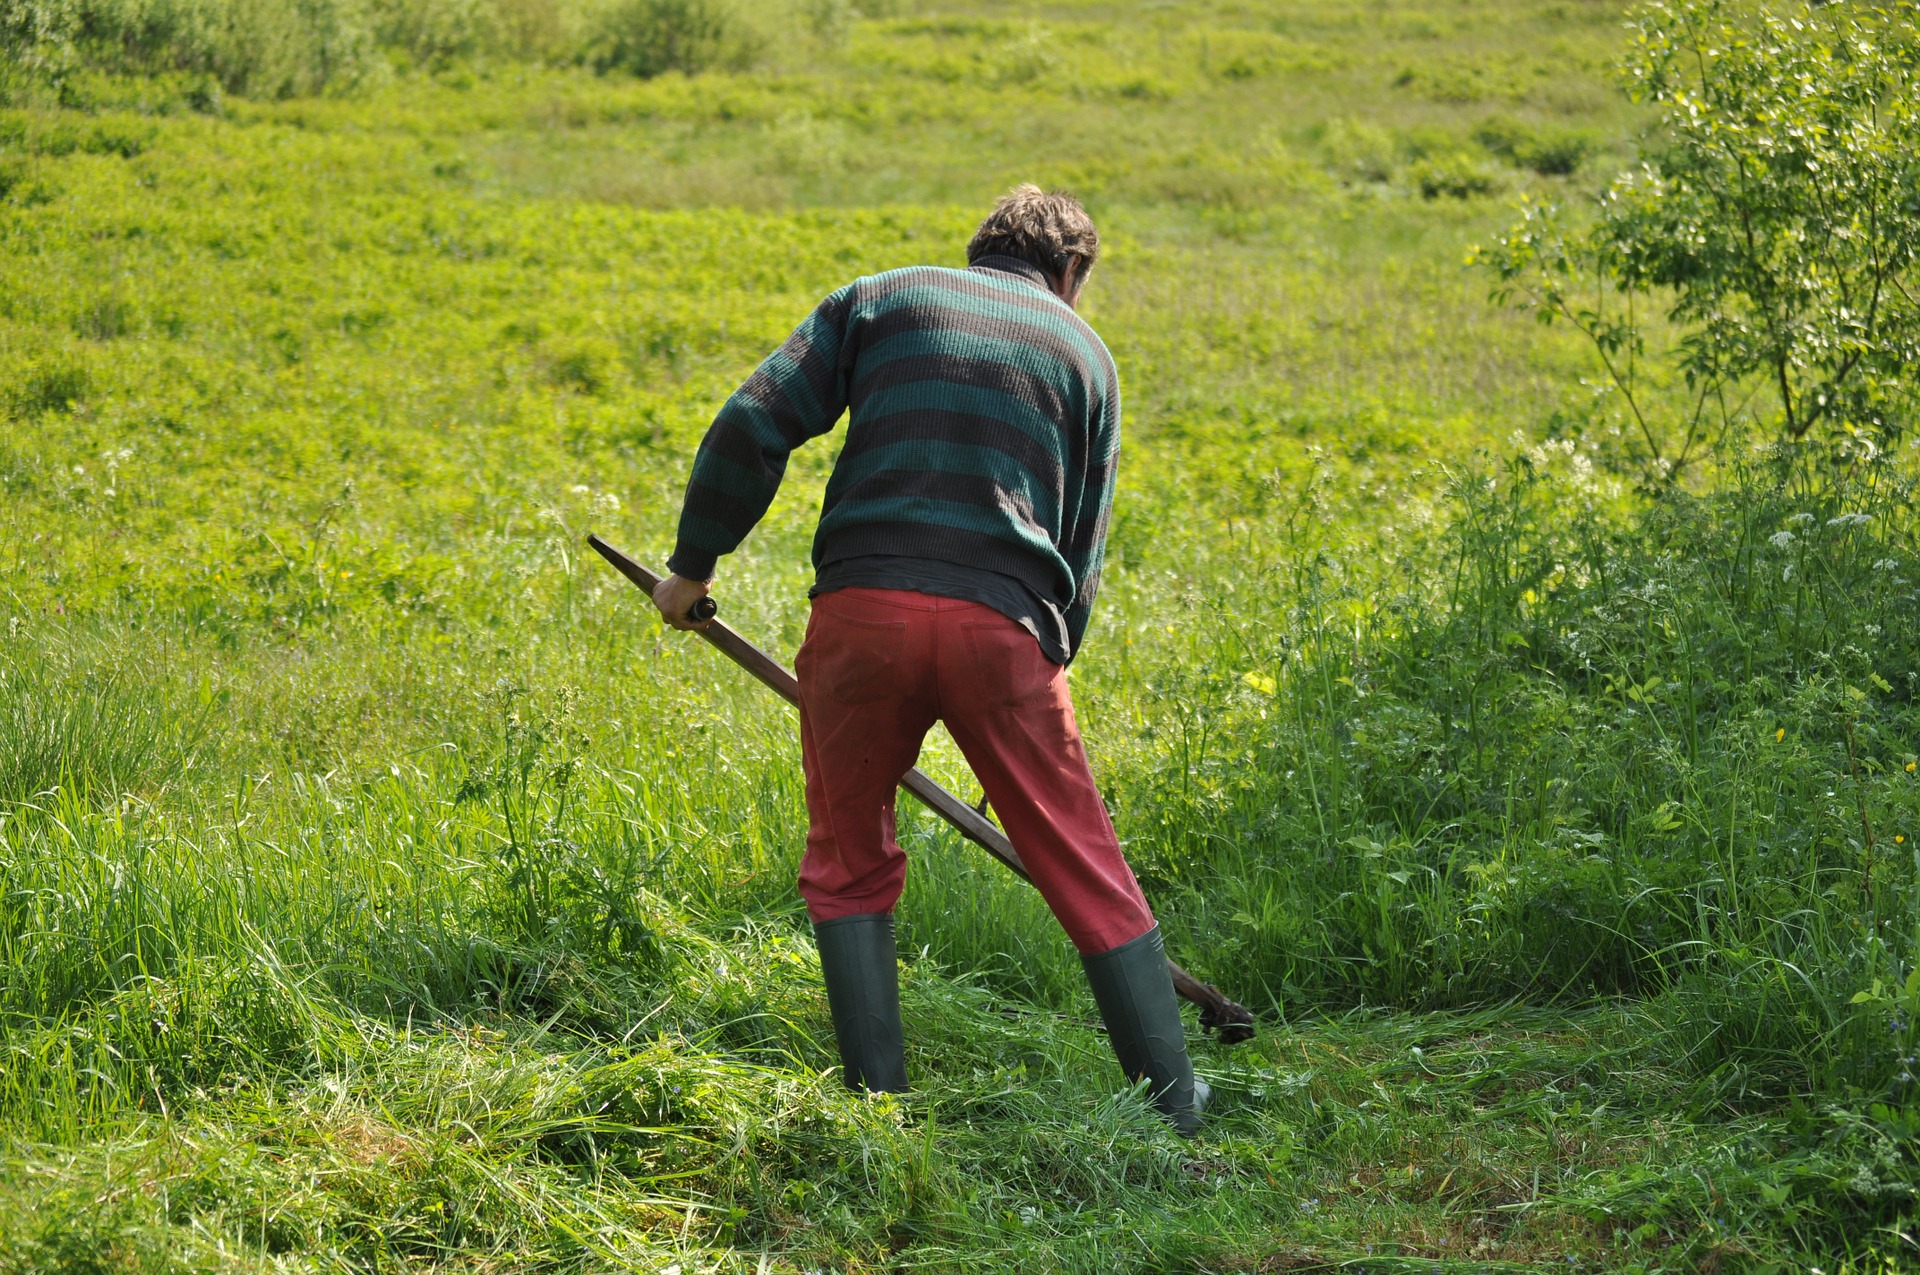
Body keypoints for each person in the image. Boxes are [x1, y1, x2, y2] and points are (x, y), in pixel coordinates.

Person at [650, 185, 1207, 1135]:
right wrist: (1037, 695)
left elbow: (753, 423)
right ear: (1069, 273)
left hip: (861, 617)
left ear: (980, 248)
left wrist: (690, 568)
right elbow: (1083, 548)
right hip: (1006, 633)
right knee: (1083, 863)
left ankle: (877, 1110)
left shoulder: (880, 298)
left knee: (847, 858)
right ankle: (1176, 1103)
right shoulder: (1087, 358)